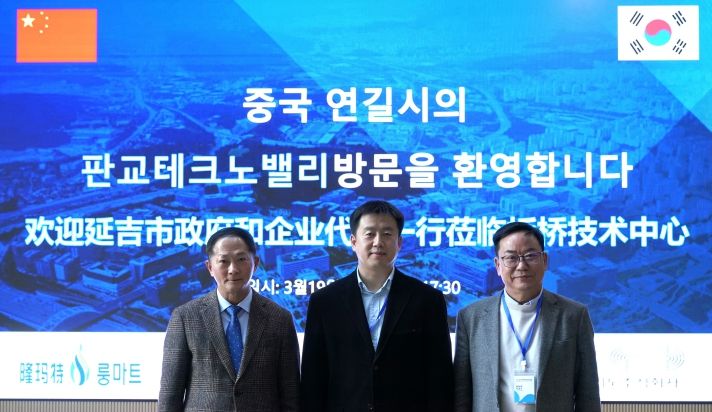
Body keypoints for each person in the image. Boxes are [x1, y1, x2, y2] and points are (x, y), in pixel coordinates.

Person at [300, 200, 454, 412]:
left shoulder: (428, 300)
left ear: (399, 243)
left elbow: (440, 378)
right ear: (353, 241)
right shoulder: (324, 302)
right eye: (369, 234)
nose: (378, 242)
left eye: (387, 234)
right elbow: (312, 380)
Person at [454, 221, 601, 412]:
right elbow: (461, 394)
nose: (521, 265)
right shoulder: (471, 318)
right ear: (498, 265)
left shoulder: (574, 316)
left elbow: (588, 393)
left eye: (530, 256)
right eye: (511, 258)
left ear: (544, 260)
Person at [158, 227, 300, 412]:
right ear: (210, 267)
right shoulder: (185, 317)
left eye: (241, 259)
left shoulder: (279, 319)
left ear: (255, 263)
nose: (233, 269)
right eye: (223, 261)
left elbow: (291, 395)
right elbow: (170, 395)